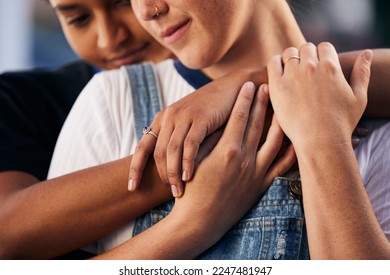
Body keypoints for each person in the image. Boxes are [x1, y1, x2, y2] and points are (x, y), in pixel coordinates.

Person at [47, 0, 390, 259]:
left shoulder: (377, 126)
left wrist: (322, 138)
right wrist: (190, 224)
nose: (147, 10)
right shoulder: (112, 101)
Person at [0, 0, 172, 259]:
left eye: (124, 3)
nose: (109, 39)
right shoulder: (19, 99)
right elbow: (7, 238)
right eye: (79, 19)